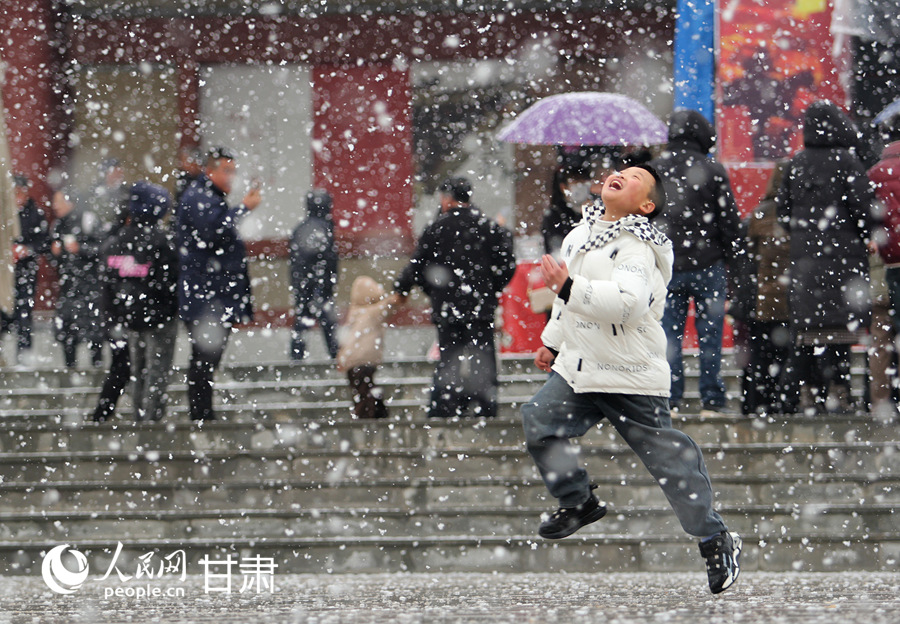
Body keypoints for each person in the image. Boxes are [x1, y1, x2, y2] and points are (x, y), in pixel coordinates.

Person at [521, 164, 741, 595]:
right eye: (620, 171)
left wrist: (567, 286)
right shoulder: (578, 235)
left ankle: (715, 539)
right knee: (539, 421)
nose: (621, 175)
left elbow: (626, 305)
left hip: (630, 371)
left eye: (636, 177)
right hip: (580, 367)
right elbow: (567, 306)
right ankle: (578, 501)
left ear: (646, 205)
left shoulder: (639, 245)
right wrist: (553, 341)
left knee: (670, 463)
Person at [777, 101, 876, 414]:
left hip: (806, 263)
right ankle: (841, 392)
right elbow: (864, 211)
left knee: (809, 333)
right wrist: (863, 236)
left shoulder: (796, 163)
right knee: (840, 333)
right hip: (844, 263)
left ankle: (810, 394)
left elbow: (783, 212)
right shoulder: (848, 162)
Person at [395, 176, 516, 419]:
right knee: (482, 360)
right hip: (480, 307)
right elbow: (507, 262)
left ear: (447, 198)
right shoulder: (487, 226)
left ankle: (447, 409)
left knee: (449, 359)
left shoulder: (436, 228)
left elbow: (417, 266)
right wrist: (491, 288)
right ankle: (484, 410)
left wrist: (409, 288)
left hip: (447, 306)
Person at [650, 109, 745, 416]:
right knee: (710, 335)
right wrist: (736, 262)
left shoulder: (654, 170)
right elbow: (729, 222)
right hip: (709, 263)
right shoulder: (713, 170)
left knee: (668, 336)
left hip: (667, 266)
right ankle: (712, 399)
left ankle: (671, 398)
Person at [176, 146, 261, 421]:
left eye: (233, 171)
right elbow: (212, 232)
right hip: (207, 296)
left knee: (207, 360)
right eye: (226, 171)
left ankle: (202, 413)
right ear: (210, 171)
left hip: (211, 294)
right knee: (204, 359)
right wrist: (243, 209)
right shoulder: (200, 198)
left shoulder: (206, 197)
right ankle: (201, 415)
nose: (231, 177)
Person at [93, 182, 178, 422]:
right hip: (158, 318)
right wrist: (168, 309)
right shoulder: (164, 243)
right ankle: (152, 421)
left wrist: (115, 316)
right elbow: (169, 283)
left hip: (127, 318)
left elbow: (108, 285)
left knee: (137, 372)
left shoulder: (115, 243)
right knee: (157, 372)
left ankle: (140, 418)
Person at [739, 162, 792, 415]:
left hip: (762, 299)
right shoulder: (798, 213)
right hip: (792, 298)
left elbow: (747, 259)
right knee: (789, 357)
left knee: (760, 357)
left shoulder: (759, 214)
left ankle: (757, 405)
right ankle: (785, 404)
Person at [49, 186, 105, 368]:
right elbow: (52, 258)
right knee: (67, 331)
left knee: (94, 332)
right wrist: (55, 253)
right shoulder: (57, 225)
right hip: (68, 287)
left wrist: (81, 249)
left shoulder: (88, 220)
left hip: (90, 286)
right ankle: (70, 368)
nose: (55, 206)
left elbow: (102, 249)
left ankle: (96, 367)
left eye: (58, 202)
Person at [869, 109, 900, 418]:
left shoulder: (874, 173)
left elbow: (868, 219)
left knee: (881, 333)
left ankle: (880, 401)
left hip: (883, 264)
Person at [337, 276, 400, 419]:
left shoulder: (354, 312)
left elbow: (346, 337)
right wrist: (398, 295)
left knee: (362, 390)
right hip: (363, 359)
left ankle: (377, 414)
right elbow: (388, 305)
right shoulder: (372, 312)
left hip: (352, 360)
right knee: (366, 392)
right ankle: (370, 418)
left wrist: (342, 357)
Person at [289, 189, 339, 361]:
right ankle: (335, 358)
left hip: (303, 284)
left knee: (302, 323)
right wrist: (327, 284)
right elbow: (328, 261)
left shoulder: (301, 228)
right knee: (328, 325)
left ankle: (296, 359)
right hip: (320, 285)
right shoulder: (324, 229)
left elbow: (296, 261)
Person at [9, 174, 49, 365]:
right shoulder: (6, 213)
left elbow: (44, 243)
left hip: (26, 271)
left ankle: (24, 356)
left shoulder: (35, 214)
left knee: (24, 314)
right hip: (6, 274)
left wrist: (27, 250)